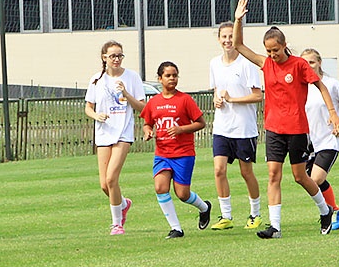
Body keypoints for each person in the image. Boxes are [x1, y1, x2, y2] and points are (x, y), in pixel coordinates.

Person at [232, 0, 339, 239]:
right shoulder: (266, 64)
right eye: (269, 51)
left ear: (284, 46)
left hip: (296, 129)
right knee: (273, 174)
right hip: (274, 128)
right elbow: (238, 45)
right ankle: (275, 227)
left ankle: (325, 211)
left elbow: (321, 87)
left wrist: (333, 113)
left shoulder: (300, 65)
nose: (272, 55)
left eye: (276, 50)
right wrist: (238, 19)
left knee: (300, 176)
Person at [140, 61, 212, 239]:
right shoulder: (154, 103)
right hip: (162, 154)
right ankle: (176, 229)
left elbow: (201, 123)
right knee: (160, 187)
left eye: (175, 75)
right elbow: (147, 123)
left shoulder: (185, 99)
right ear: (160, 78)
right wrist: (148, 131)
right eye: (168, 75)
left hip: (183, 154)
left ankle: (204, 207)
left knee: (182, 194)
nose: (172, 78)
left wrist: (181, 129)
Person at [84, 40, 145, 235]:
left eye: (120, 55)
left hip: (123, 133)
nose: (116, 59)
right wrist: (96, 116)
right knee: (104, 184)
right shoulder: (96, 80)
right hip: (103, 134)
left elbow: (143, 107)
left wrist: (126, 93)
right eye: (112, 56)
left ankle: (117, 224)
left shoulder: (132, 77)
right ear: (104, 58)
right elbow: (88, 107)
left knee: (112, 178)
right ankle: (123, 203)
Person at [209, 21, 263, 231]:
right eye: (224, 36)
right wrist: (217, 100)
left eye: (231, 36)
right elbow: (217, 90)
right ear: (219, 39)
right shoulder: (214, 63)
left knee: (245, 172)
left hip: (244, 128)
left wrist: (233, 99)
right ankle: (226, 216)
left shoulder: (246, 63)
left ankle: (255, 214)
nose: (227, 40)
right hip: (222, 127)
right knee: (219, 170)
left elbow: (258, 95)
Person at [300, 48, 339, 232]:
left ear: (319, 63)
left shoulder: (331, 84)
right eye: (304, 63)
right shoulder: (302, 86)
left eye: (312, 62)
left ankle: (331, 211)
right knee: (309, 180)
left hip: (329, 139)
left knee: (316, 178)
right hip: (309, 141)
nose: (308, 66)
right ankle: (333, 208)